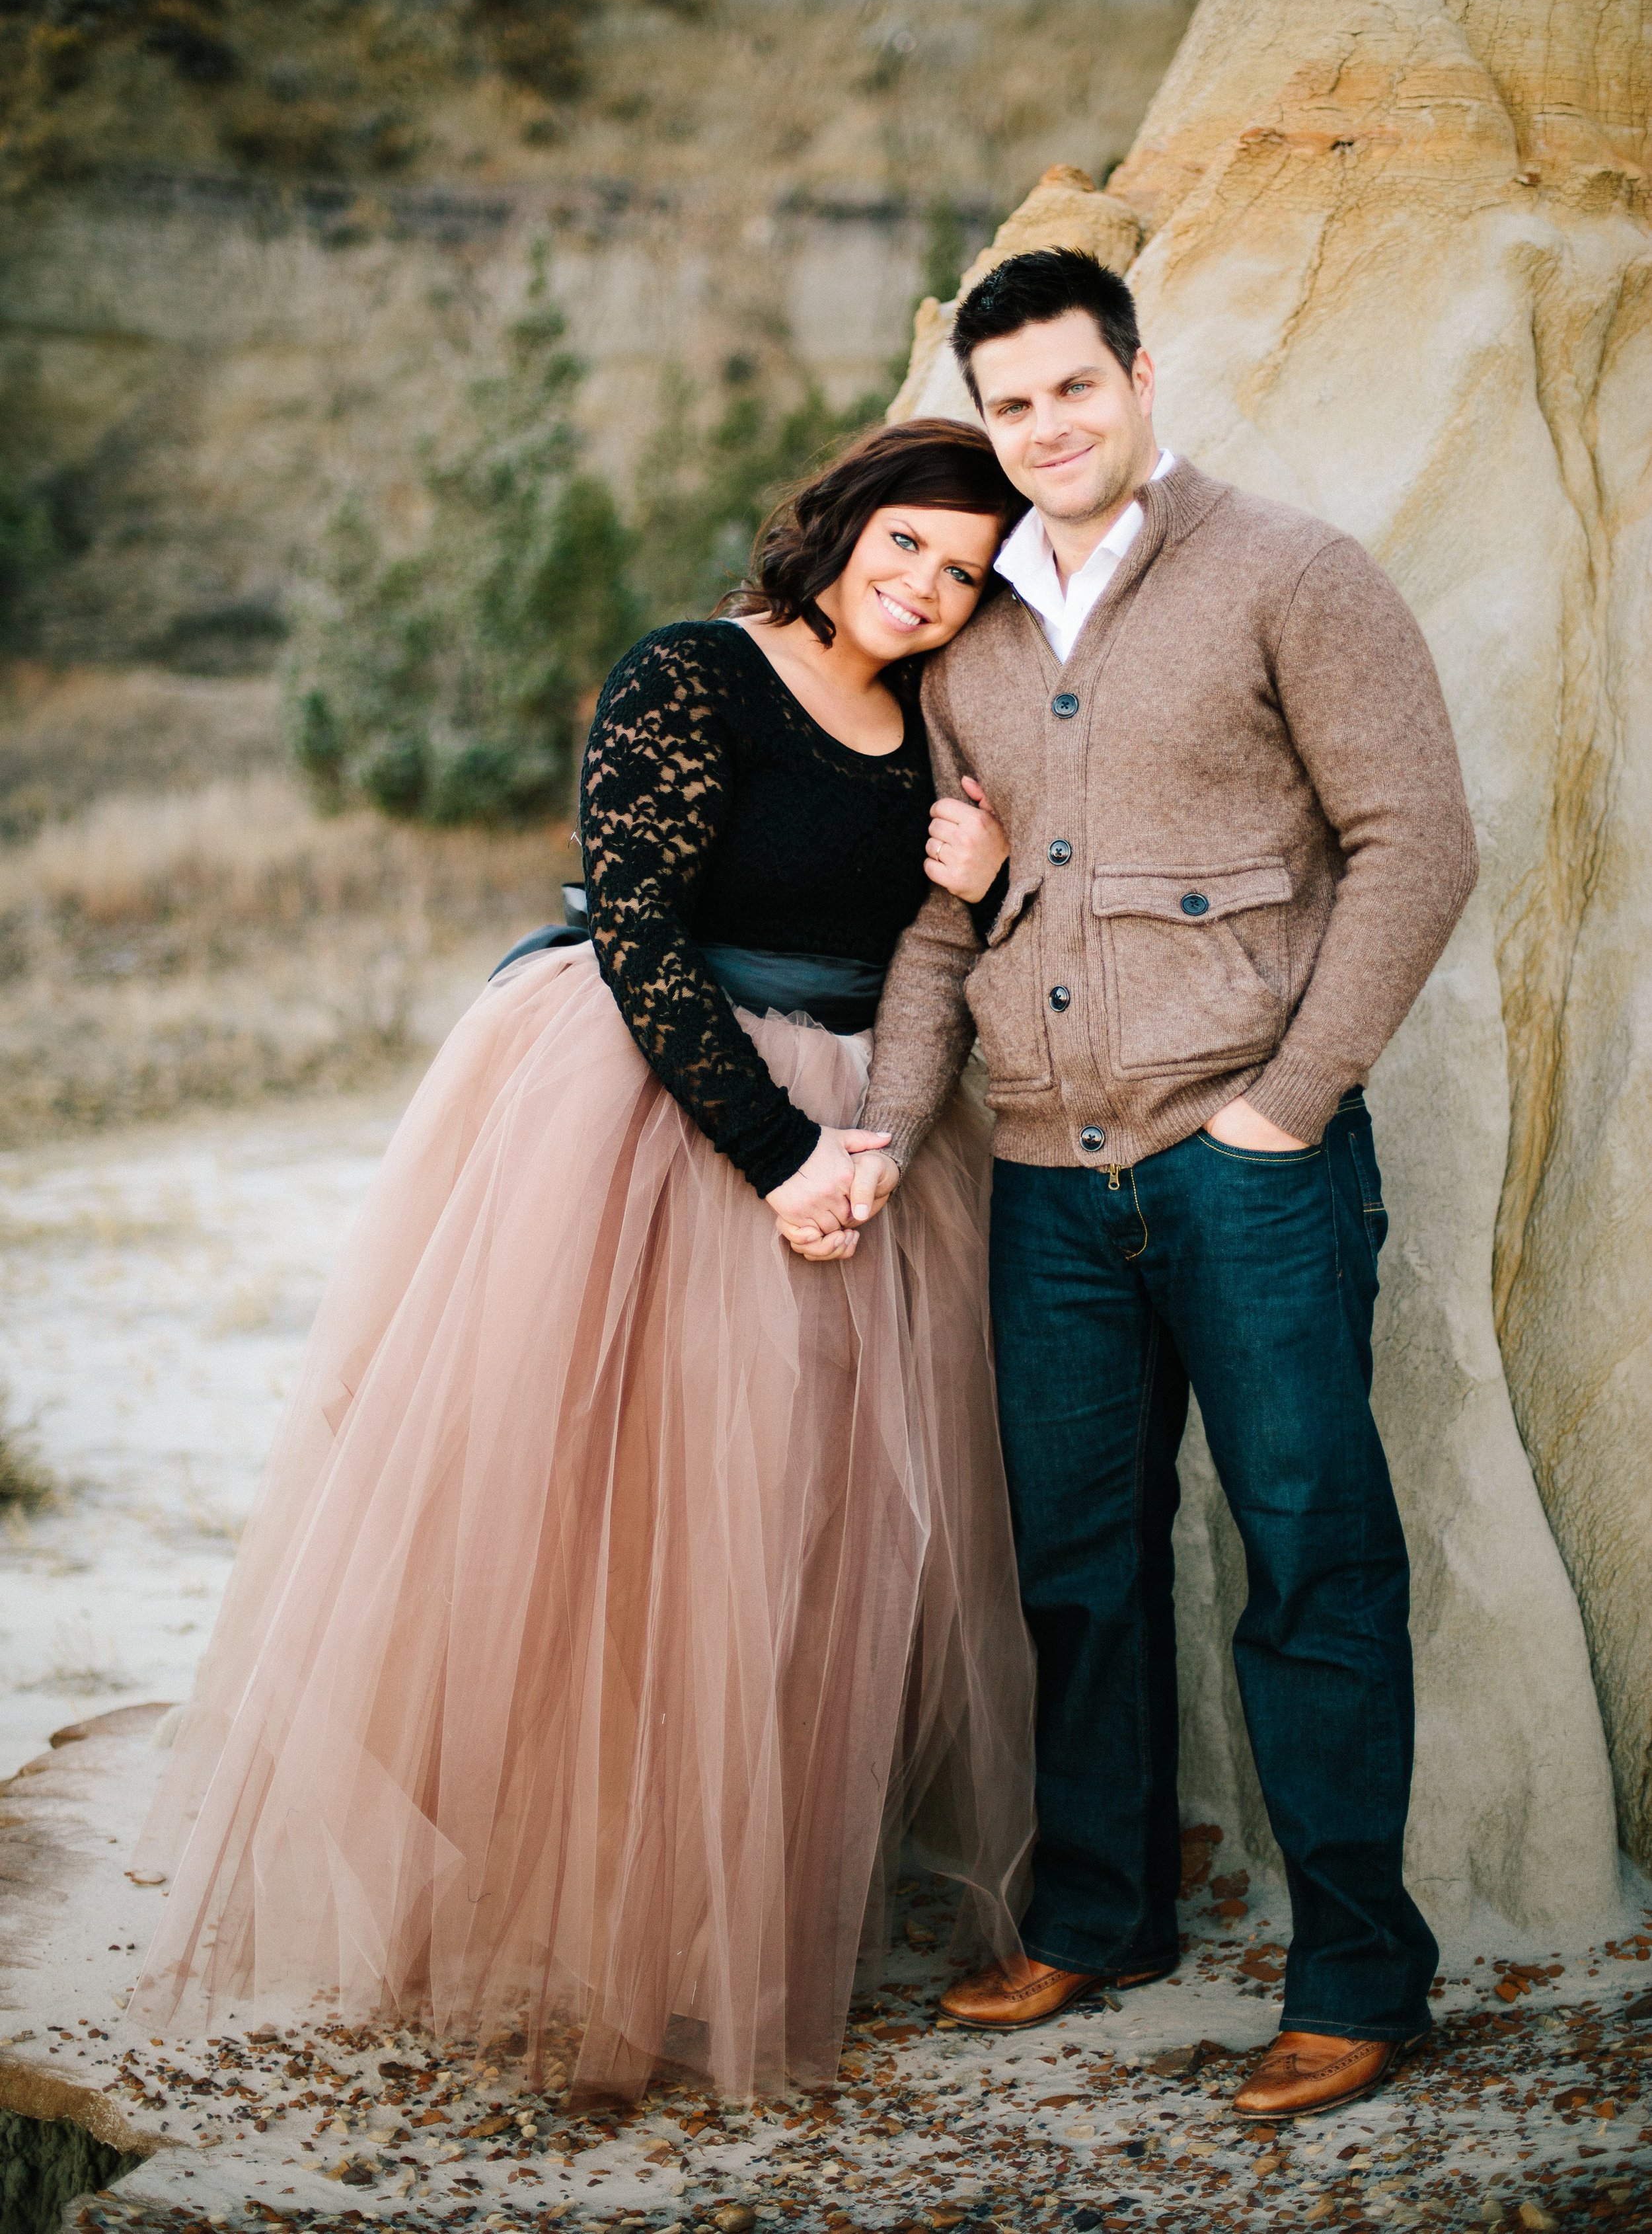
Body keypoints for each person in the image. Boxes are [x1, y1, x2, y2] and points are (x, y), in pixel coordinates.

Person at [128, 419, 1037, 2100]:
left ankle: (722, 1921)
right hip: (654, 1103)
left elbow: (924, 943)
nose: (920, 589)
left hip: (864, 1124)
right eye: (904, 543)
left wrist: (963, 920)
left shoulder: (935, 724)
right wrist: (777, 1160)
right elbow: (633, 921)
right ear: (840, 522)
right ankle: (556, 1924)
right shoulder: (691, 672)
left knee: (798, 1533)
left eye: (963, 574)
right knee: (611, 1524)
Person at [846, 249, 1480, 2119]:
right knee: (1077, 1570)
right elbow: (935, 923)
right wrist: (882, 1128)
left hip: (1250, 1168)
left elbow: (1417, 839)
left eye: (1072, 387)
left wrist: (1289, 1104)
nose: (1045, 427)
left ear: (1135, 374)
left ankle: (1361, 1970)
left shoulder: (1290, 571)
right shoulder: (960, 625)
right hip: (1045, 1181)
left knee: (1310, 1559)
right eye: (1011, 402)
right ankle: (1100, 1913)